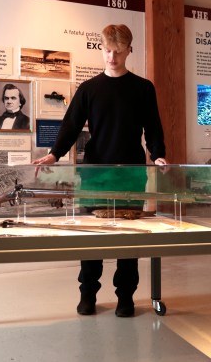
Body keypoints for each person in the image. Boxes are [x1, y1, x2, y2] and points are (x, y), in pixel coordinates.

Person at [33, 24, 167, 318]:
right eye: (107, 50)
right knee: (92, 236)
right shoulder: (89, 88)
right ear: (101, 48)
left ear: (128, 50)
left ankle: (126, 298)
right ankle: (88, 295)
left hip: (131, 171)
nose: (111, 57)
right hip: (94, 171)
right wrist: (54, 154)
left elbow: (153, 127)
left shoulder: (143, 88)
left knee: (129, 237)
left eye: (118, 52)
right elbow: (70, 125)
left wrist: (158, 156)